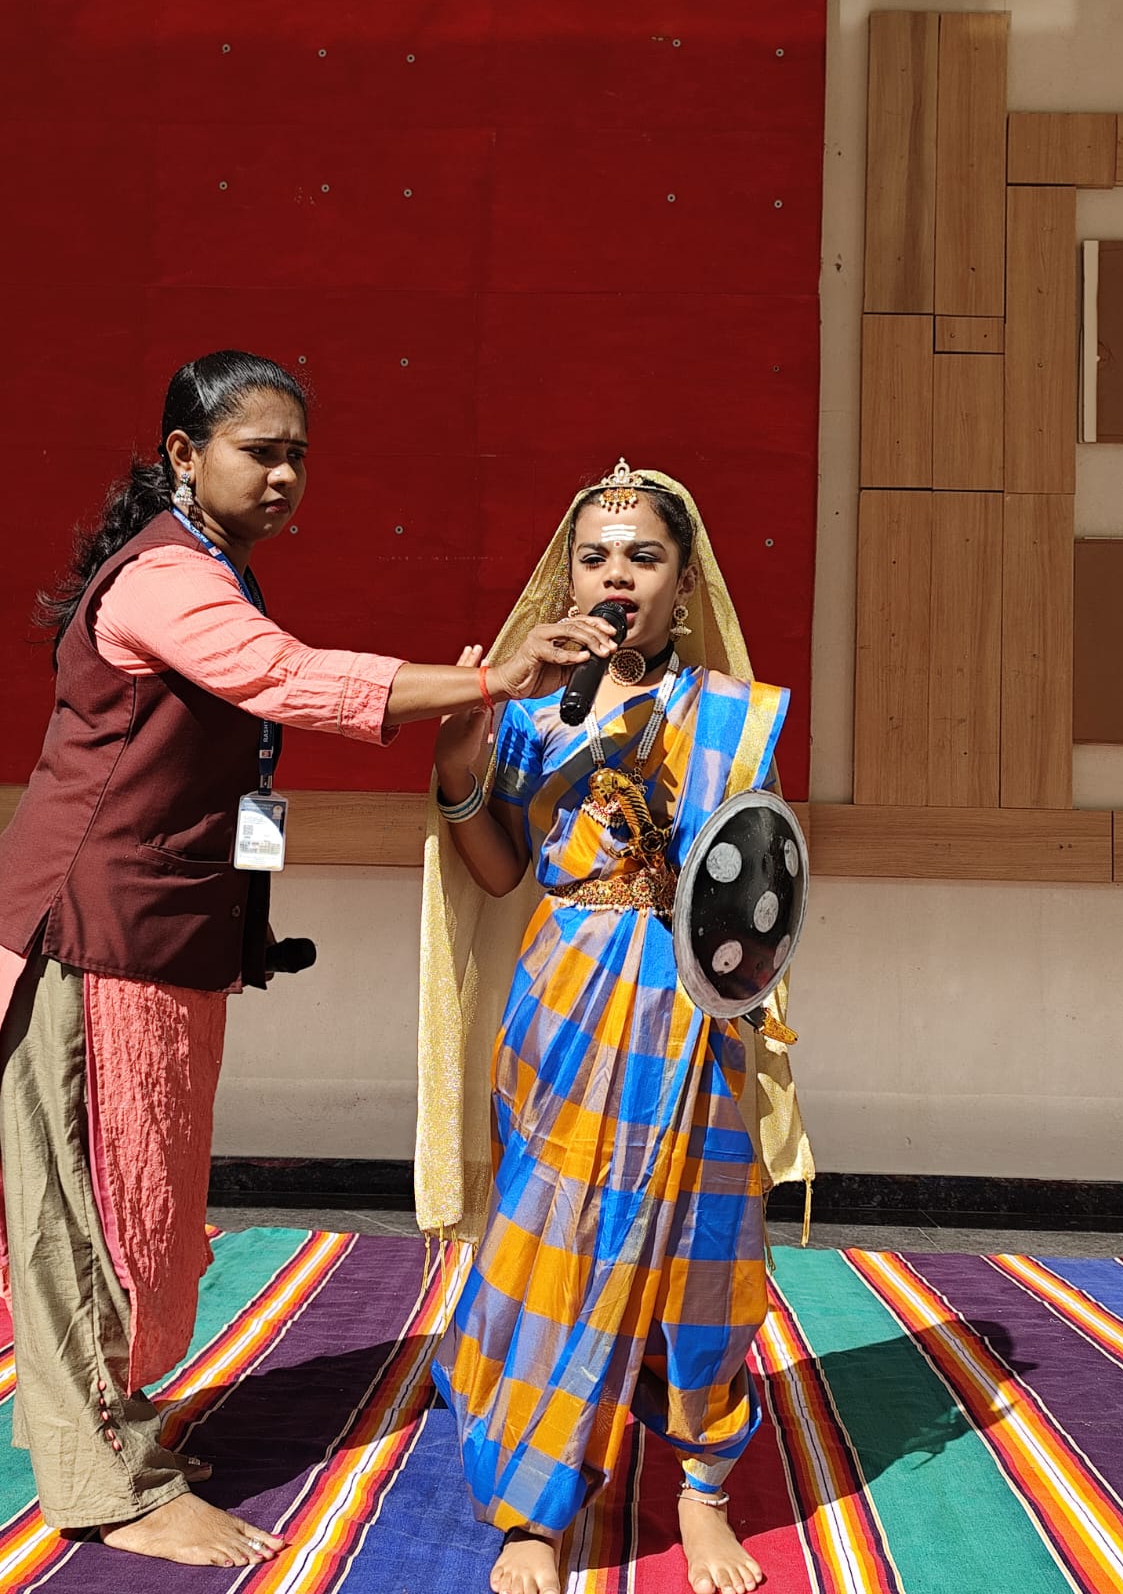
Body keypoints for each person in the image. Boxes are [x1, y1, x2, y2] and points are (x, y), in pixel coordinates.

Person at [0, 351, 617, 1568]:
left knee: (140, 1204)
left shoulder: (211, 569)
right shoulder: (163, 581)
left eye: (297, 455)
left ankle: (119, 1428)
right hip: (86, 940)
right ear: (183, 455)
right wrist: (496, 677)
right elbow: (288, 678)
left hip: (157, 941)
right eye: (257, 451)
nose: (285, 475)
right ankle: (106, 1487)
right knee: (83, 1218)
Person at [418, 462, 813, 1594]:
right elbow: (496, 869)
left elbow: (759, 885)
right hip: (569, 1004)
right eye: (595, 556)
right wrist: (458, 756)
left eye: (642, 556)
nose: (615, 576)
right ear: (567, 576)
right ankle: (532, 1510)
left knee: (703, 1251)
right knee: (554, 1229)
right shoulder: (532, 707)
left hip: (693, 1016)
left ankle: (701, 1492)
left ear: (684, 588)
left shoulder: (736, 718)